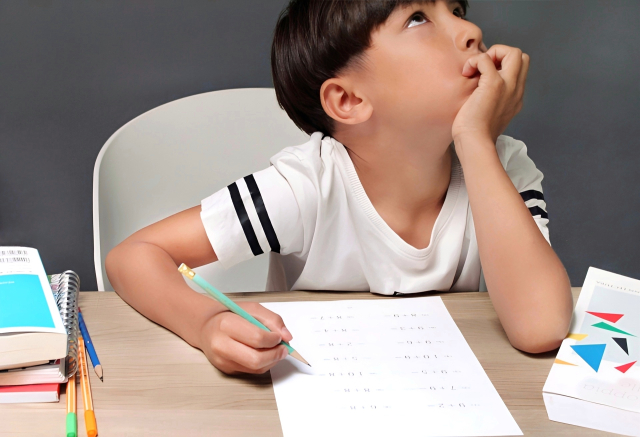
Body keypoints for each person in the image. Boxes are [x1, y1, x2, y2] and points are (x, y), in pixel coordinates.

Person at [106, 0, 573, 375]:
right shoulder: (308, 185)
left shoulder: (500, 166)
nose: (470, 31)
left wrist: (475, 141)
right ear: (348, 100)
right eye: (417, 17)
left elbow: (540, 326)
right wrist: (205, 323)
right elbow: (133, 255)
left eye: (456, 9)